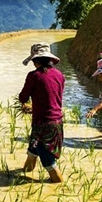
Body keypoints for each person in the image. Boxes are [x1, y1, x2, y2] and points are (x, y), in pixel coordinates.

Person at [18, 43, 65, 183]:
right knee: (33, 151)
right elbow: (52, 100)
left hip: (43, 125)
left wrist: (27, 104)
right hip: (57, 123)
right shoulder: (60, 75)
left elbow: (23, 98)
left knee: (49, 164)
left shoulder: (34, 76)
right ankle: (22, 176)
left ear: (35, 61)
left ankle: (59, 187)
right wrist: (34, 108)